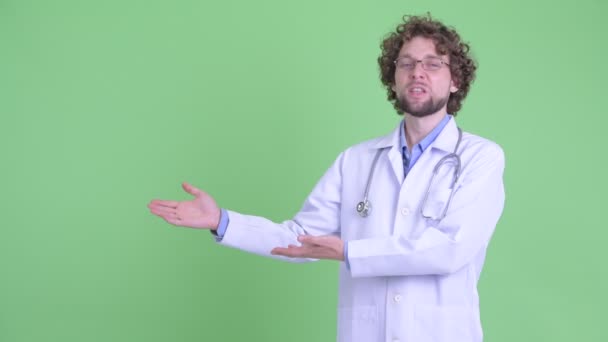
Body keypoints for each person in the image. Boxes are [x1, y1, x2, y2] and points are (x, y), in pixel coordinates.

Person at [148, 14, 505, 342]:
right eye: (407, 64)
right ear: (393, 77)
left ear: (455, 79)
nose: (418, 73)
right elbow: (301, 240)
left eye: (433, 64)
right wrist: (223, 221)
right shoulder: (356, 160)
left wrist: (351, 252)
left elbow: (451, 249)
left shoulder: (480, 158)